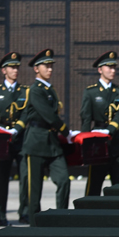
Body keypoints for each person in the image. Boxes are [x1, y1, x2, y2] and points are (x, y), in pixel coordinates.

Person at [21, 49, 75, 215]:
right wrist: (66, 132)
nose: (50, 69)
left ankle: (61, 218)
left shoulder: (50, 89)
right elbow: (48, 115)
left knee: (64, 180)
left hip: (52, 143)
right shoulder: (36, 90)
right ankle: (34, 225)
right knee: (35, 189)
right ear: (36, 68)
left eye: (51, 65)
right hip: (36, 142)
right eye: (46, 65)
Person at [80, 51, 119, 195]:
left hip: (115, 140)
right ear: (100, 70)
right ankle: (87, 214)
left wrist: (111, 129)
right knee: (94, 183)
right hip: (97, 141)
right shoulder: (91, 92)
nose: (112, 70)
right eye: (109, 67)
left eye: (114, 67)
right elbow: (86, 118)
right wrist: (85, 145)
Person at [0, 52, 28, 225]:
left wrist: (16, 129)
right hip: (2, 141)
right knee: (2, 178)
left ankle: (24, 212)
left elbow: (26, 113)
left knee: (25, 177)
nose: (15, 70)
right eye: (12, 67)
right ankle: (1, 214)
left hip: (20, 140)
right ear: (4, 70)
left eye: (17, 67)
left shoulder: (25, 91)